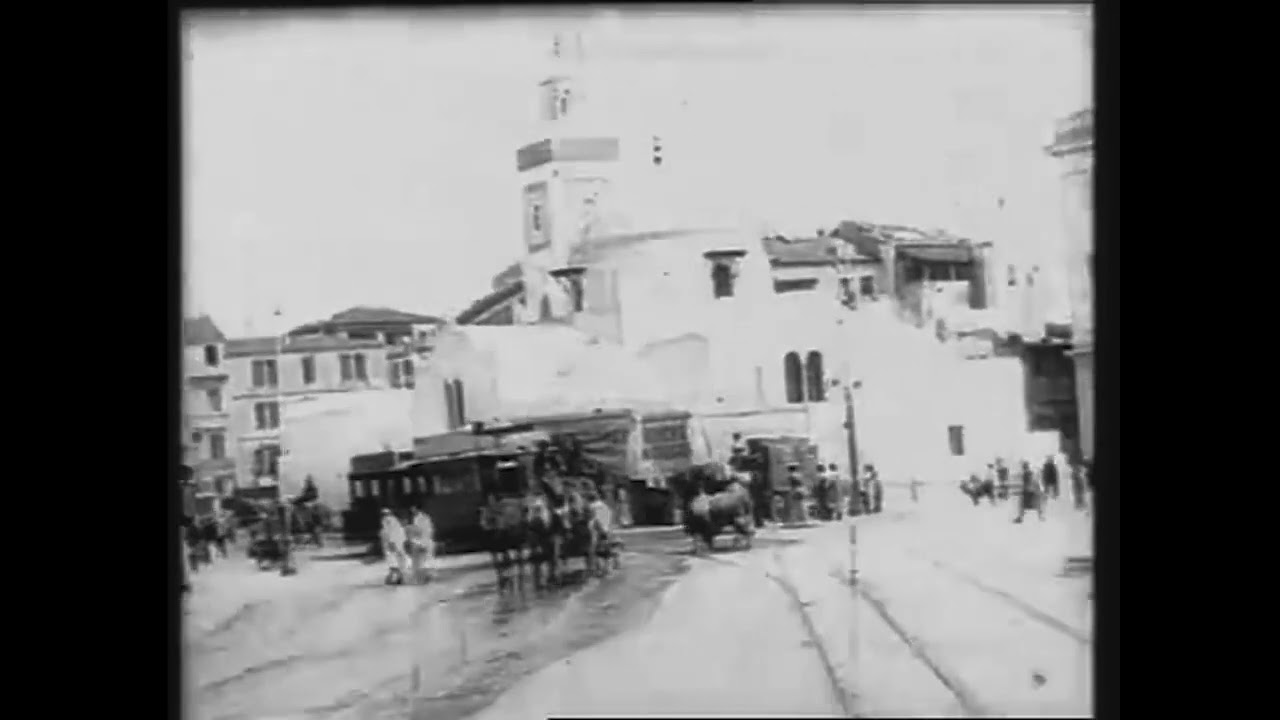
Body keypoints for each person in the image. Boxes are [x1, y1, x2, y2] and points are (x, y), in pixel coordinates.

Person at [408, 507, 437, 583]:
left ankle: (425, 575)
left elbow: (420, 531)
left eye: (414, 509)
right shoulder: (423, 518)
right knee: (425, 559)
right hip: (424, 541)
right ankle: (426, 575)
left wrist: (415, 540)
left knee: (423, 559)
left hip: (423, 541)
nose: (413, 511)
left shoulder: (421, 518)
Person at [380, 508, 408, 584]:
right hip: (398, 544)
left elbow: (389, 532)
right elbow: (401, 534)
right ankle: (399, 578)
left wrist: (391, 542)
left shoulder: (387, 520)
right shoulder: (396, 522)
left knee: (393, 562)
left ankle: (394, 578)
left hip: (393, 544)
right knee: (399, 561)